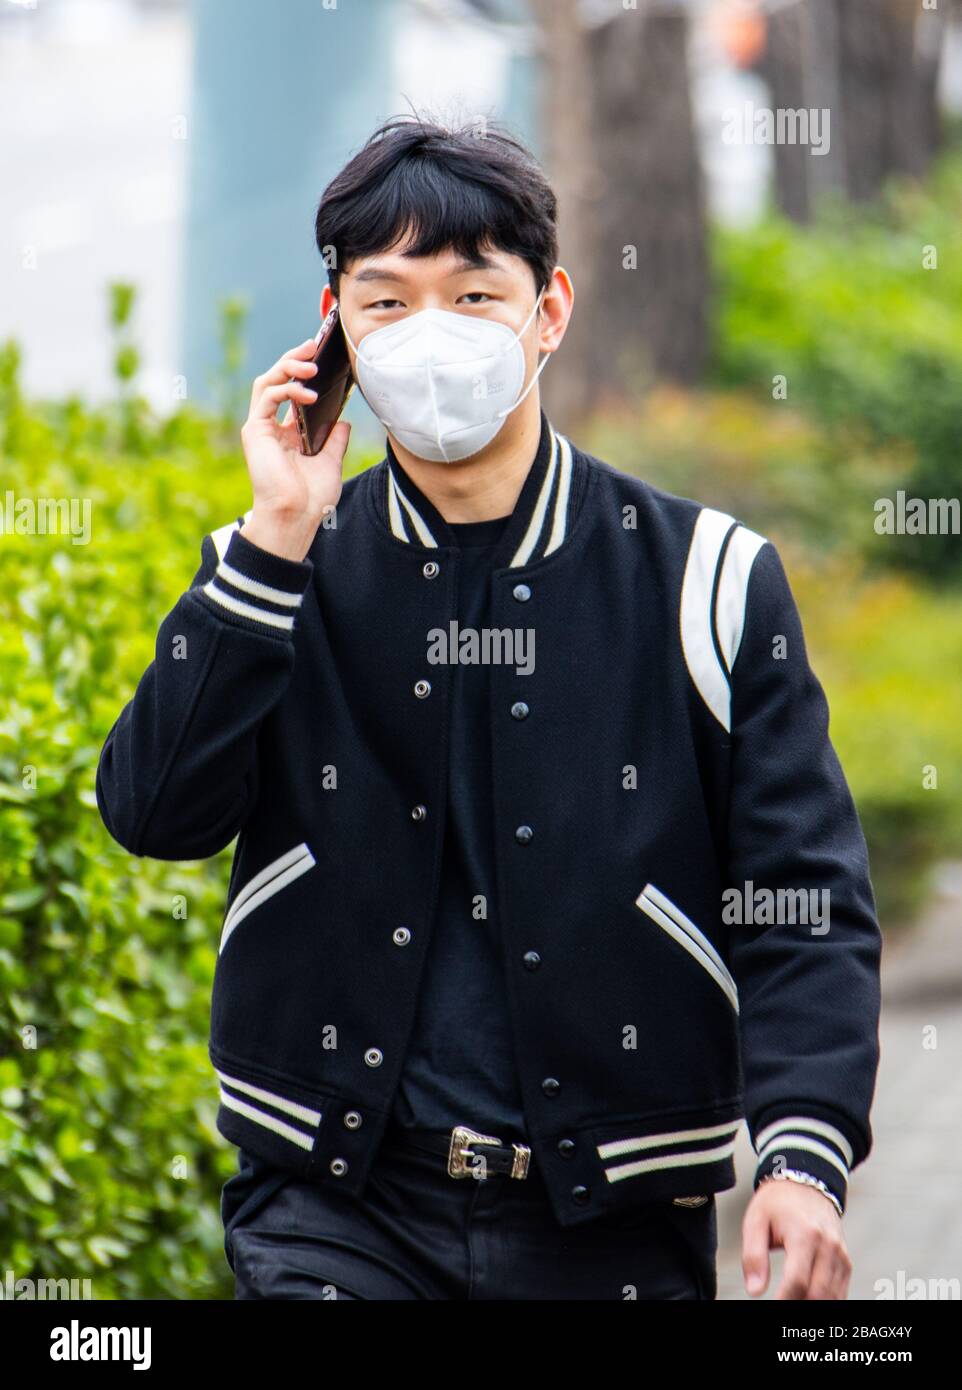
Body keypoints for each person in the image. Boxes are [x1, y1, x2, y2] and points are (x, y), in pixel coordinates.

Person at [96, 115, 881, 1301]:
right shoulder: (273, 568)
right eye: (387, 301)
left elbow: (801, 903)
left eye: (472, 296)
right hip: (332, 1207)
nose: (430, 336)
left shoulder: (706, 578)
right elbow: (154, 813)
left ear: (548, 310)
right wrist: (271, 540)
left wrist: (802, 1158)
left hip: (614, 1218)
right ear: (336, 331)